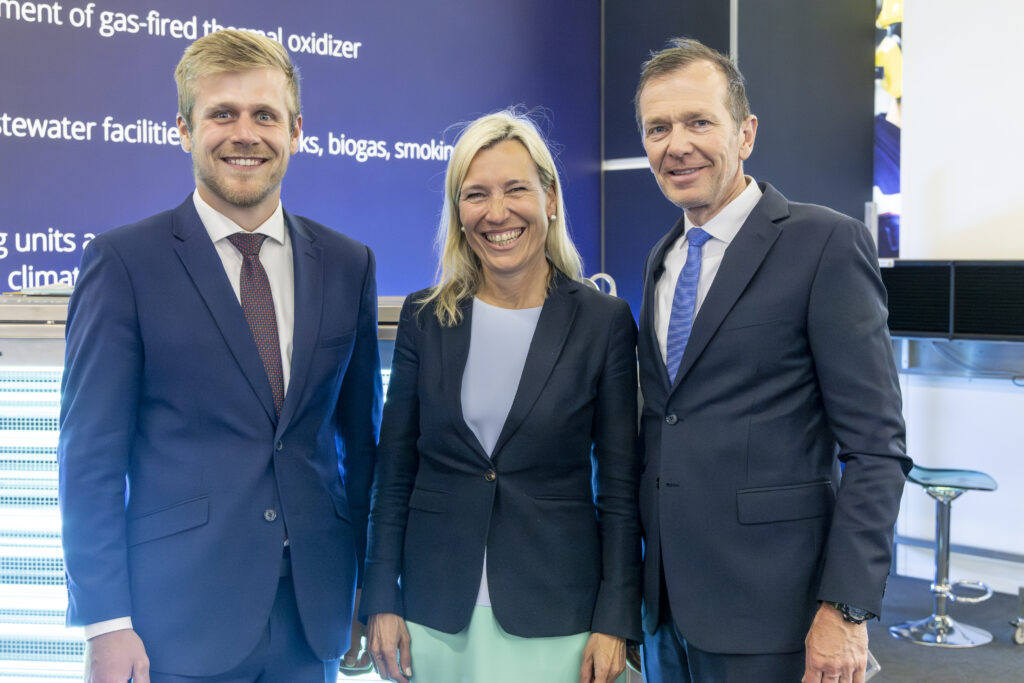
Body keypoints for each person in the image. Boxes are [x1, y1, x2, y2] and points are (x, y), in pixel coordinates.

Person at [58, 29, 382, 683]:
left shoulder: (349, 264)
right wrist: (105, 621)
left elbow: (361, 444)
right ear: (184, 129)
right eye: (222, 114)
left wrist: (367, 592)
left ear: (296, 131)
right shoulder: (124, 263)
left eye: (264, 115)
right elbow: (89, 459)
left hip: (312, 618)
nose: (245, 134)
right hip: (174, 625)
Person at [633, 38, 911, 682]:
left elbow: (876, 448)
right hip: (667, 609)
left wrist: (845, 608)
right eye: (658, 128)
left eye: (699, 121)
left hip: (779, 614)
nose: (677, 144)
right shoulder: (662, 260)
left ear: (746, 132)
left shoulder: (825, 244)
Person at [361, 109, 642, 683]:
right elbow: (393, 475)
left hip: (559, 615)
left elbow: (619, 490)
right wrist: (379, 600)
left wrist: (616, 620)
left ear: (551, 197)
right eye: (476, 195)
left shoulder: (602, 321)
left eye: (516, 189)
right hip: (434, 615)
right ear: (458, 212)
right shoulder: (423, 318)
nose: (497, 213)